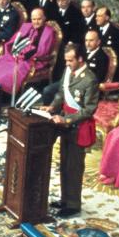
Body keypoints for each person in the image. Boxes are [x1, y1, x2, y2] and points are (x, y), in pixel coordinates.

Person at [40, 43, 99, 217]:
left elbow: (89, 109)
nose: (67, 64)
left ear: (80, 59)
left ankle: (73, 204)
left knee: (74, 166)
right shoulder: (68, 72)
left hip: (77, 126)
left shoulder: (90, 79)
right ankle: (65, 199)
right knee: (64, 163)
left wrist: (66, 119)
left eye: (70, 60)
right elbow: (61, 93)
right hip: (64, 123)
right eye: (66, 60)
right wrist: (51, 107)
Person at [0, 8, 56, 95]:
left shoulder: (48, 32)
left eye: (39, 19)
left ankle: (1, 94)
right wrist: (16, 51)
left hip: (32, 61)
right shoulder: (29, 26)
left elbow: (42, 51)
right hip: (18, 55)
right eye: (34, 19)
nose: (36, 22)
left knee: (3, 76)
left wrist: (24, 55)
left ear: (44, 18)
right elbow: (15, 40)